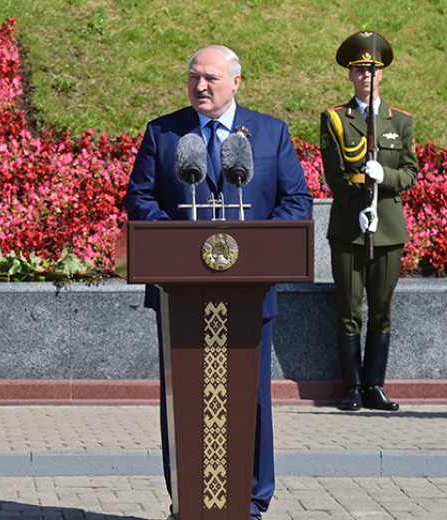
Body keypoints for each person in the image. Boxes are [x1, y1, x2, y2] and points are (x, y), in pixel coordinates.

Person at [123, 44, 312, 520]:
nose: (200, 86)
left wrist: (256, 247)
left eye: (210, 78)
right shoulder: (164, 133)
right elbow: (140, 198)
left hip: (249, 292)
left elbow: (296, 201)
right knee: (182, 399)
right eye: (193, 77)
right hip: (180, 294)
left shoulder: (269, 134)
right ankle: (185, 500)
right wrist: (177, 242)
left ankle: (250, 502)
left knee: (251, 400)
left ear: (235, 82)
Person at [319, 31, 418, 411]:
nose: (367, 77)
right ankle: (352, 387)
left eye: (373, 70)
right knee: (349, 308)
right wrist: (356, 203)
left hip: (389, 227)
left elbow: (409, 172)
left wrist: (386, 178)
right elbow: (334, 173)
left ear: (383, 74)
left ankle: (375, 385)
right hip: (349, 225)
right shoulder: (334, 119)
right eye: (359, 70)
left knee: (381, 307)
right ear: (349, 75)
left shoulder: (401, 121)